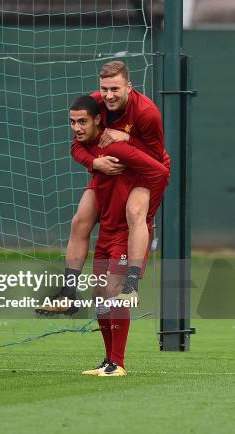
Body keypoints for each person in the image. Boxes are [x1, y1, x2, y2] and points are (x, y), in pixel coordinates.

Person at [42, 61, 169, 314]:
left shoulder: (147, 112)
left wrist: (128, 138)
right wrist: (95, 162)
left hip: (144, 170)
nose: (109, 95)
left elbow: (156, 160)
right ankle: (68, 294)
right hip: (108, 167)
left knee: (134, 212)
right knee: (80, 220)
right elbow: (77, 145)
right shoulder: (93, 104)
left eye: (115, 89)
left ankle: (131, 285)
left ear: (129, 87)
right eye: (104, 89)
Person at [68, 95, 169, 376]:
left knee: (114, 291)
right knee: (100, 293)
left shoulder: (126, 137)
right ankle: (108, 360)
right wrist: (94, 164)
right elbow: (76, 149)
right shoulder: (90, 143)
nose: (76, 127)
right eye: (72, 122)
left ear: (97, 120)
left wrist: (147, 211)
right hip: (108, 228)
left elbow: (160, 171)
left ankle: (118, 363)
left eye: (81, 121)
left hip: (126, 231)